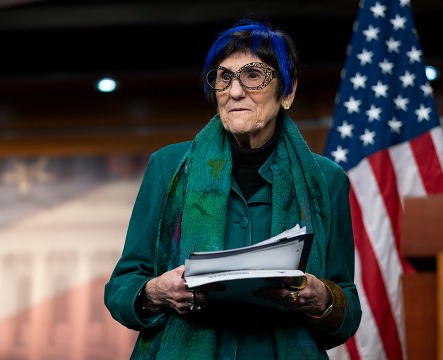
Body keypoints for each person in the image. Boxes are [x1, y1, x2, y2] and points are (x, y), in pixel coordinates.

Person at [104, 19, 362, 359]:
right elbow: (121, 288)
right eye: (224, 77)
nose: (235, 91)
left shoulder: (326, 179)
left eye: (254, 76)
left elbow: (347, 311)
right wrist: (155, 291)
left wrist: (323, 298)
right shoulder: (167, 168)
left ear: (288, 92)